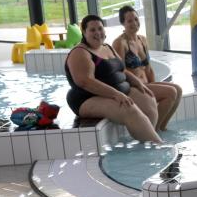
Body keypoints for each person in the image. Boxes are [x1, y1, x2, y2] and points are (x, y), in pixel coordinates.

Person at [64, 14, 162, 143]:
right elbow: (85, 82)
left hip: (117, 91)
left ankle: (147, 142)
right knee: (129, 109)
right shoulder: (80, 52)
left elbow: (122, 70)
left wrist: (138, 82)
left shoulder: (107, 47)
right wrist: (115, 94)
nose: (97, 33)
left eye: (100, 28)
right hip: (87, 98)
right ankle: (158, 147)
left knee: (148, 100)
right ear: (84, 32)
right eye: (92, 30)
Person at [112, 5, 182, 131]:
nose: (134, 23)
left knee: (178, 90)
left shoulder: (142, 40)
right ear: (123, 23)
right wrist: (141, 84)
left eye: (136, 19)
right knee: (171, 92)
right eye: (129, 21)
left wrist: (153, 85)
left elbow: (148, 68)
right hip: (134, 87)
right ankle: (153, 130)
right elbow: (121, 70)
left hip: (146, 84)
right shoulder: (120, 43)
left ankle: (162, 127)